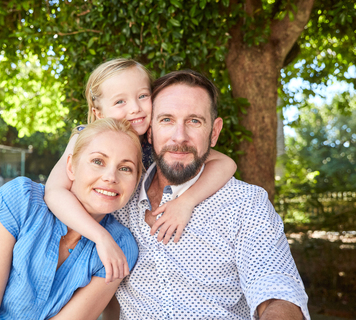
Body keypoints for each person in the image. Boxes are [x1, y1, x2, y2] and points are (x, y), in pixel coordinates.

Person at [103, 69, 310, 319]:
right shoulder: (116, 199)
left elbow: (276, 289)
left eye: (194, 121)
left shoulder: (246, 203)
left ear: (214, 132)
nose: (179, 137)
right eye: (166, 120)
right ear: (149, 130)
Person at [44, 58, 237, 284]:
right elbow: (54, 192)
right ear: (98, 114)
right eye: (120, 102)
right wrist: (100, 237)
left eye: (143, 96)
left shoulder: (153, 140)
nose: (135, 108)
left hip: (115, 236)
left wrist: (186, 202)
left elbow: (226, 164)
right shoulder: (85, 137)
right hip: (67, 231)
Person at [0, 118, 141, 320]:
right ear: (71, 167)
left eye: (125, 168)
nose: (111, 177)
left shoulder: (121, 246)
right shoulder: (21, 201)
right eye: (98, 161)